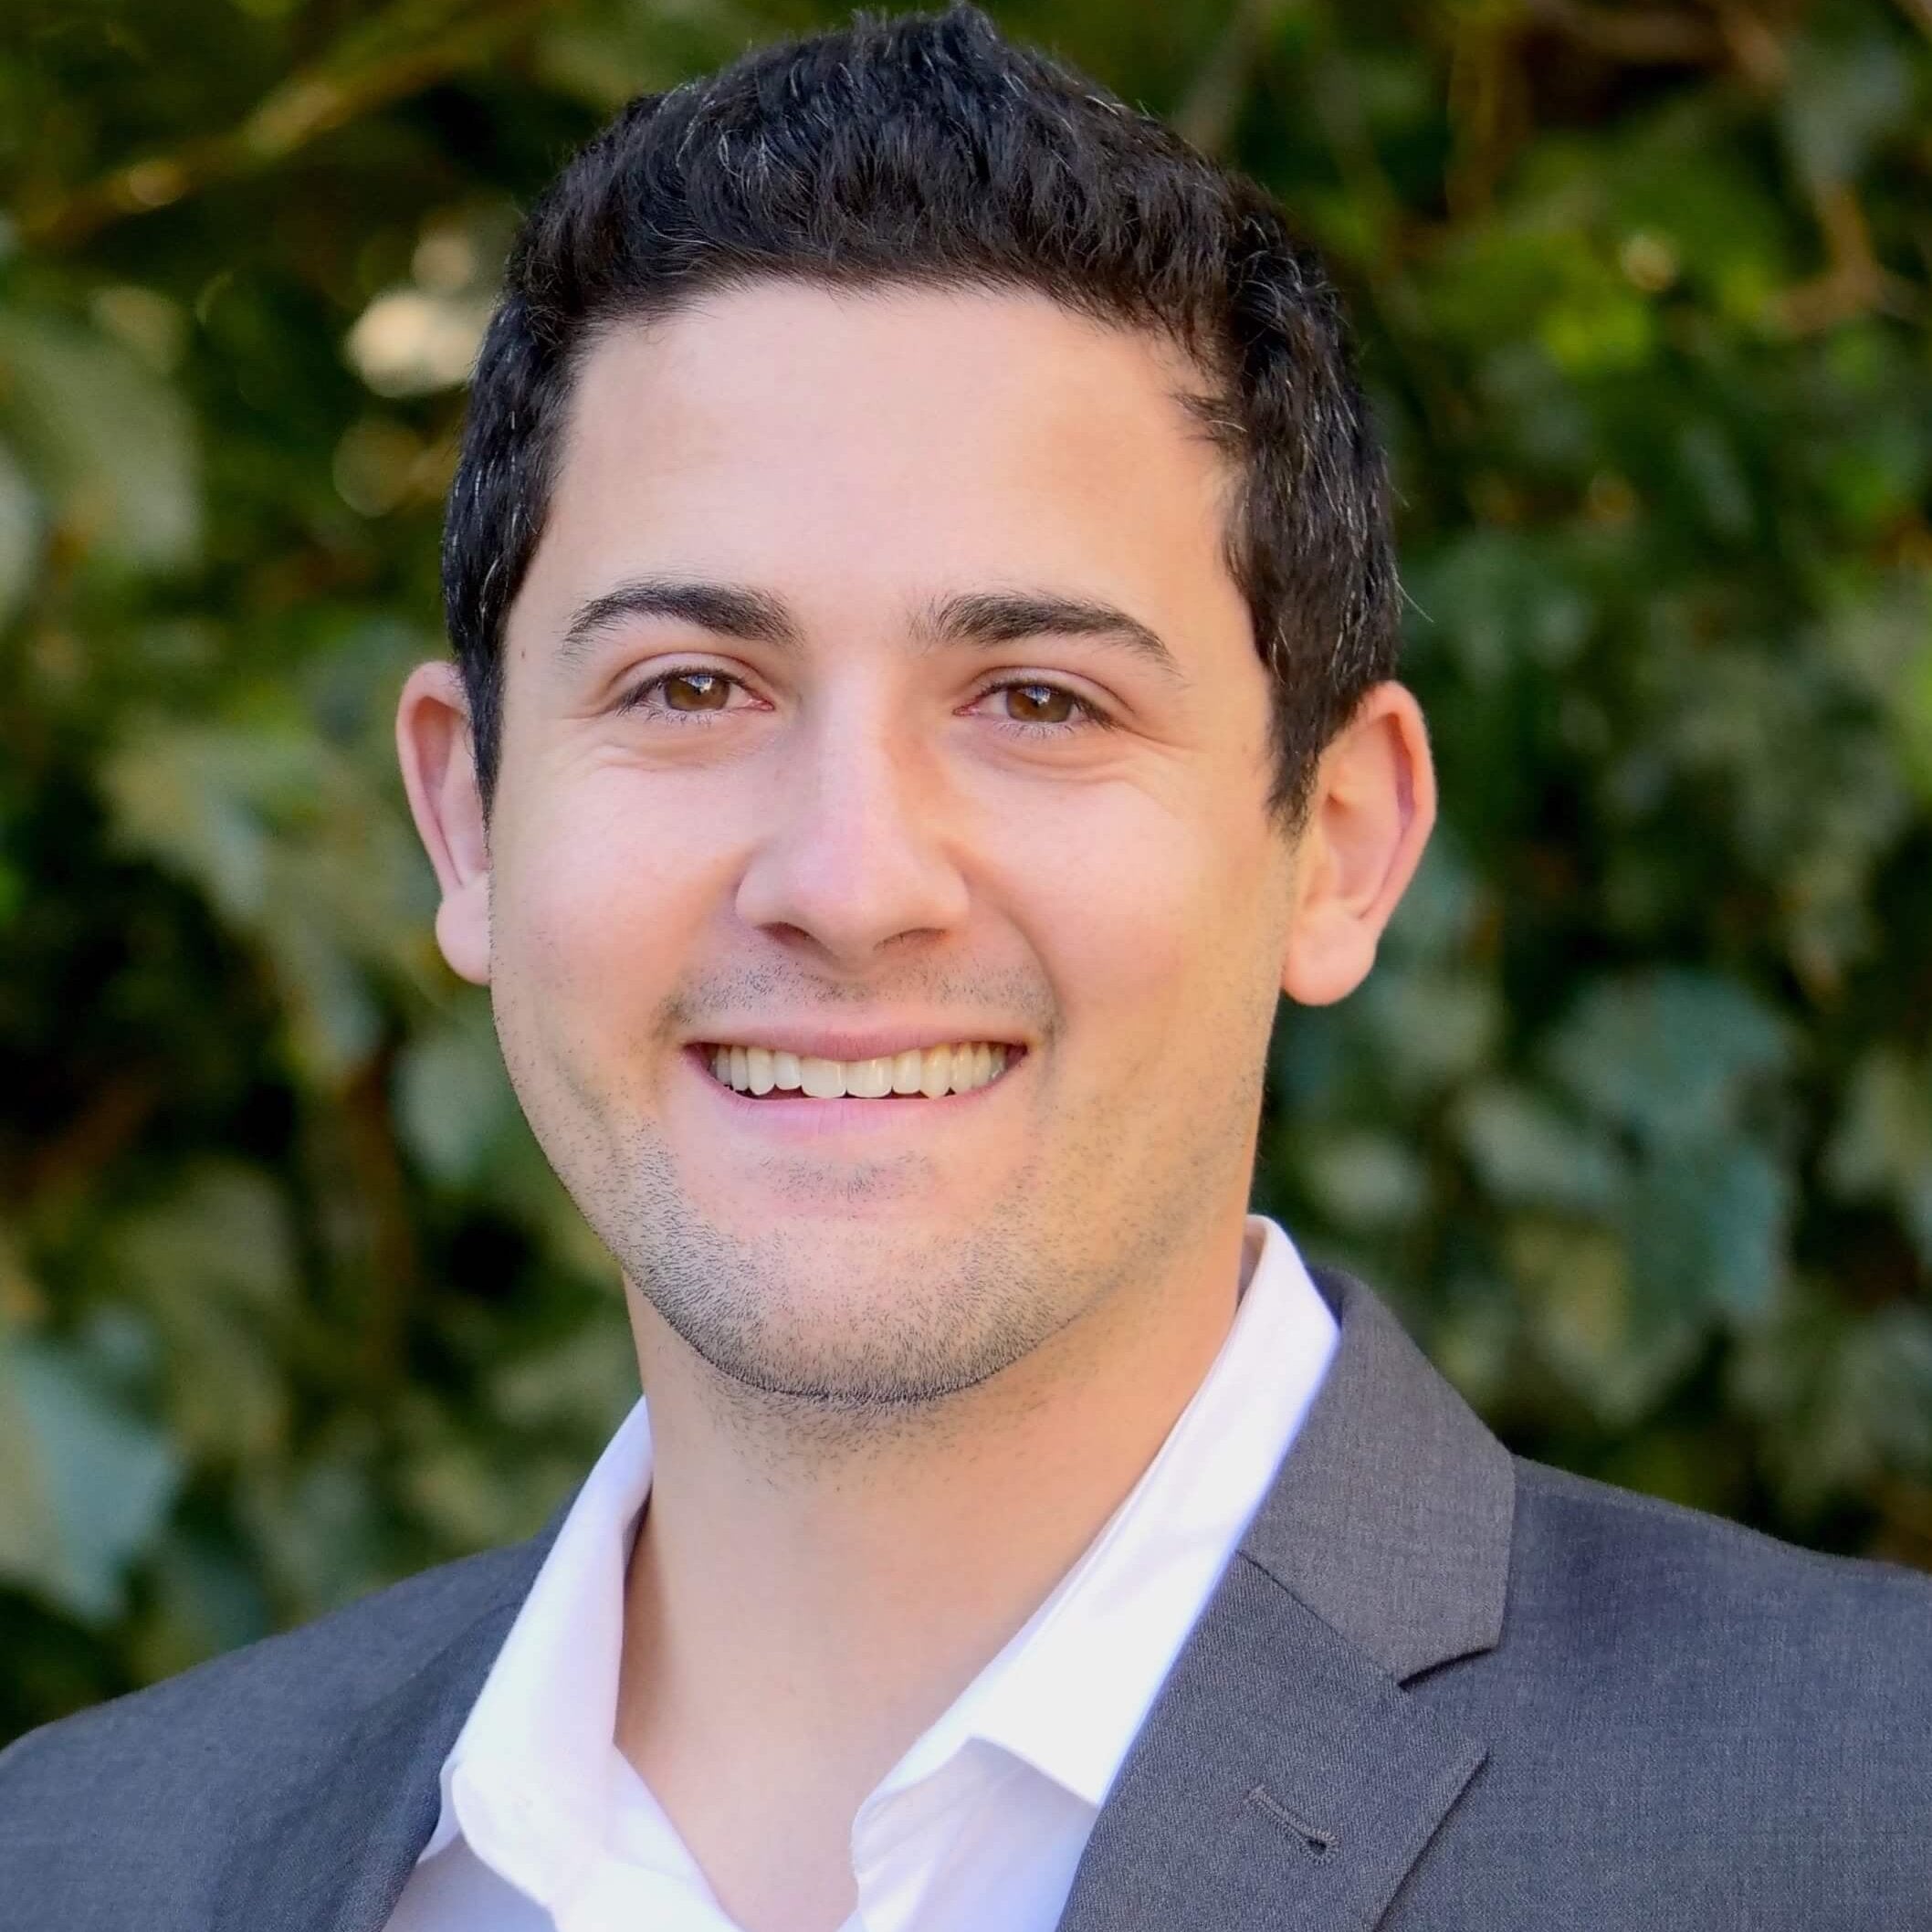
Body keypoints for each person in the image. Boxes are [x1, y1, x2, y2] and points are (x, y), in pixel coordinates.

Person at [3, 7, 1928, 1929]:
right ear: (469, 821)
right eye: (691, 687)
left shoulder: (1870, 1815)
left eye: (1037, 699)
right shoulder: (79, 1864)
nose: (850, 883)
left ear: (1338, 843)